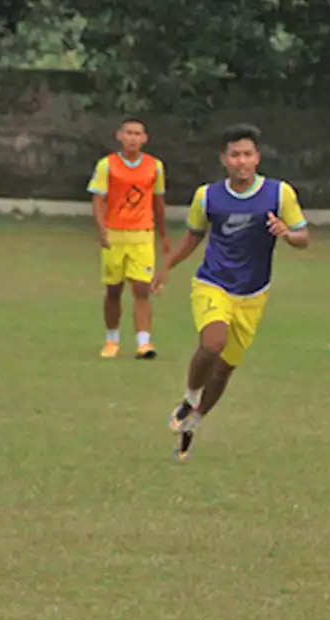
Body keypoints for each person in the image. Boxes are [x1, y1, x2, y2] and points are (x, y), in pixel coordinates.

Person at [152, 124, 310, 461]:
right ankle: (190, 396)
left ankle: (194, 421)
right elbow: (194, 235)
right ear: (224, 159)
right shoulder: (207, 196)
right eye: (235, 155)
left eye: (247, 154)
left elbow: (304, 237)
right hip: (213, 283)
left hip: (253, 294)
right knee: (212, 343)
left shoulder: (279, 193)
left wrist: (285, 233)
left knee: (224, 369)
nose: (242, 161)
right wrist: (167, 265)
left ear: (258, 158)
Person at [88, 118, 168, 358]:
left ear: (145, 138)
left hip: (142, 233)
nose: (133, 138)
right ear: (119, 136)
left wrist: (163, 234)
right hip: (115, 233)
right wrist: (102, 230)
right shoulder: (107, 165)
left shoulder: (155, 166)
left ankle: (144, 342)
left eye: (138, 134)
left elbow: (158, 201)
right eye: (129, 133)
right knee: (113, 289)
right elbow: (98, 200)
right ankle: (112, 340)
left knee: (142, 288)